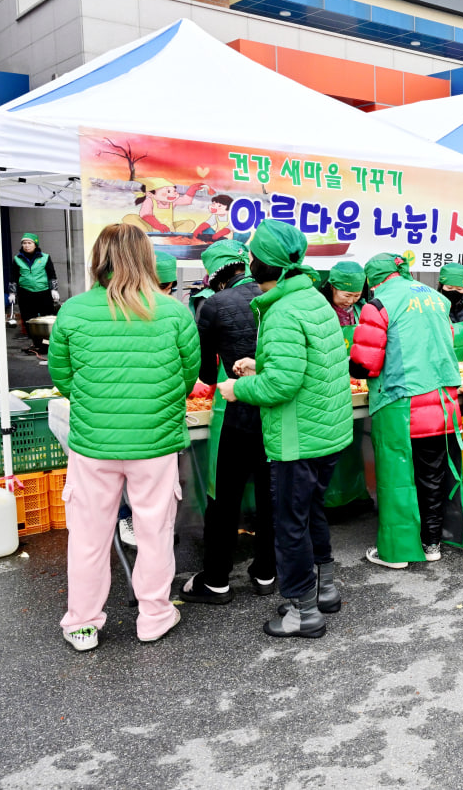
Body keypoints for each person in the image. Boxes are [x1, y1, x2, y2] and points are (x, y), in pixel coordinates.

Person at [48, 224, 199, 651]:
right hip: (156, 442)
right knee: (154, 532)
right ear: (147, 259)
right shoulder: (172, 312)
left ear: (100, 259)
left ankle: (82, 623)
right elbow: (188, 377)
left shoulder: (74, 311)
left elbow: (62, 377)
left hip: (94, 444)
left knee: (89, 535)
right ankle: (154, 615)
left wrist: (97, 400)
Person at [218, 220, 354, 638]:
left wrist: (237, 387)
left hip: (297, 438)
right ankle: (324, 590)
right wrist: (260, 366)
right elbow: (307, 367)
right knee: (311, 513)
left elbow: (282, 385)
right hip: (326, 433)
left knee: (288, 524)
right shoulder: (312, 300)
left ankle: (303, 611)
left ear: (267, 264)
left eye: (254, 255)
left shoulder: (281, 310)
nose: (250, 260)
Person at [351, 253, 463, 570]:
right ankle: (431, 544)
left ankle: (398, 552)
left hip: (402, 404)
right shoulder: (436, 299)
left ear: (374, 279)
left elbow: (365, 364)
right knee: (432, 475)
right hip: (443, 402)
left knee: (397, 477)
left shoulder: (379, 304)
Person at [179, 238, 276, 605]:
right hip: (276, 411)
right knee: (270, 496)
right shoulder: (276, 298)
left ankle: (216, 579)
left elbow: (204, 370)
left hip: (235, 412)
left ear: (215, 274)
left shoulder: (214, 304)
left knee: (224, 499)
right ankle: (267, 572)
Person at [321, 260, 374, 512]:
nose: (351, 300)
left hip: (356, 382)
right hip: (328, 383)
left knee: (353, 446)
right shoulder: (320, 309)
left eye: (356, 295)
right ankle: (328, 500)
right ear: (332, 287)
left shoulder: (363, 308)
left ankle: (353, 496)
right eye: (346, 294)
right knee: (330, 447)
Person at [9, 233, 59, 351]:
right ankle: (37, 344)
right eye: (24, 243)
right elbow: (14, 277)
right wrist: (12, 292)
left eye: (29, 243)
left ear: (35, 244)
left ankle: (47, 344)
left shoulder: (45, 257)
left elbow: (52, 274)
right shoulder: (17, 259)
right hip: (25, 293)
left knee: (46, 319)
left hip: (44, 293)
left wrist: (54, 290)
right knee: (29, 320)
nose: (27, 246)